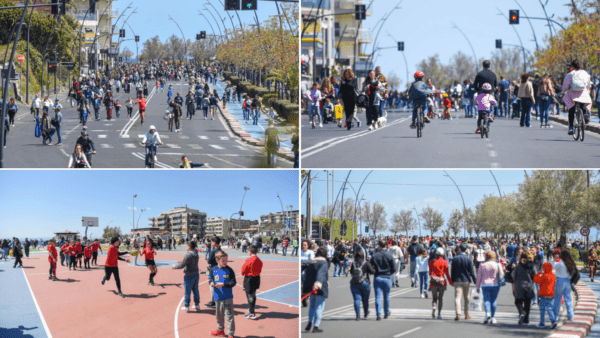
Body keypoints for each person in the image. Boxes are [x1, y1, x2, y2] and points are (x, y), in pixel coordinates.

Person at [208, 251, 237, 338]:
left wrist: (224, 284)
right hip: (217, 297)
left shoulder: (229, 270)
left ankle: (231, 334)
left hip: (228, 297)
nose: (225, 262)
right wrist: (211, 282)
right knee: (219, 316)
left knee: (229, 316)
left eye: (226, 260)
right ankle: (220, 330)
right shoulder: (213, 270)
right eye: (223, 260)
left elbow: (233, 282)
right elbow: (210, 279)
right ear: (217, 260)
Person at [562, 59, 592, 135]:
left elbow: (565, 86)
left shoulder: (570, 74)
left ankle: (571, 127)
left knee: (571, 108)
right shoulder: (585, 73)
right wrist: (587, 89)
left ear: (572, 66)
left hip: (573, 92)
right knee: (584, 99)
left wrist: (563, 92)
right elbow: (588, 84)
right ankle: (585, 112)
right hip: (583, 91)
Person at [303, 246, 328, 333]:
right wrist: (317, 284)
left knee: (312, 306)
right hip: (319, 288)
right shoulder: (324, 263)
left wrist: (305, 289)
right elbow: (321, 274)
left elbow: (307, 276)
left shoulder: (311, 262)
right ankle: (316, 326)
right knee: (319, 307)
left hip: (310, 288)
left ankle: (309, 322)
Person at [173, 240, 201, 312]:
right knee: (196, 290)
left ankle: (186, 306)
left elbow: (181, 266)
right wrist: (182, 261)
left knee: (187, 291)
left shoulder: (188, 255)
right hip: (196, 274)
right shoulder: (196, 253)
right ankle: (197, 305)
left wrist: (175, 266)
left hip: (189, 275)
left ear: (189, 246)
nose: (186, 247)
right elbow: (188, 262)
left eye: (187, 245)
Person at [370, 239, 395, 320]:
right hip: (387, 277)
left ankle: (378, 314)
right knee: (386, 297)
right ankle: (386, 313)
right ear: (387, 246)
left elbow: (370, 267)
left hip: (377, 277)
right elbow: (394, 268)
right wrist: (389, 273)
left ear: (379, 246)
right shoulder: (389, 256)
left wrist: (374, 272)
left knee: (377, 297)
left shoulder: (375, 255)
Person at [476, 250, 503, 324]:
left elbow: (479, 277)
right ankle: (493, 317)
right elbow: (502, 274)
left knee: (486, 300)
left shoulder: (482, 264)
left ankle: (487, 313)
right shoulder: (497, 264)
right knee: (493, 301)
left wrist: (477, 287)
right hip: (495, 284)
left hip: (485, 284)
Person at [451, 243, 476, 321]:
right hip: (466, 280)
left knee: (457, 297)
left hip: (457, 280)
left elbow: (452, 270)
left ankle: (458, 313)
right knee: (467, 298)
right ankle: (466, 314)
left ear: (459, 250)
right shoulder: (468, 259)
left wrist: (452, 280)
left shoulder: (455, 258)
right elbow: (472, 272)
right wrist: (476, 281)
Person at [512, 250, 537, 325]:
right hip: (529, 286)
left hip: (520, 286)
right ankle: (526, 320)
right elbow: (535, 276)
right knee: (527, 304)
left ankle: (521, 312)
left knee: (518, 302)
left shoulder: (519, 266)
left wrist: (514, 286)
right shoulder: (532, 266)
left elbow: (514, 277)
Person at [350, 249, 375, 320]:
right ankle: (366, 312)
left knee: (357, 299)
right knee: (365, 299)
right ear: (363, 256)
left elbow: (351, 272)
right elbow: (372, 271)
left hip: (354, 282)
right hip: (365, 282)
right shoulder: (366, 263)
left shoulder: (353, 263)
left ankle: (358, 315)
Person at [553, 249, 576, 321]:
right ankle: (570, 315)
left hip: (559, 280)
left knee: (557, 299)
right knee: (568, 299)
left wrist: (554, 259)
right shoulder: (570, 264)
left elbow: (552, 267)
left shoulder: (560, 264)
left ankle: (555, 316)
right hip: (567, 281)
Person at [241, 244, 263, 320]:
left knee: (249, 295)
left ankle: (252, 313)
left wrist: (243, 273)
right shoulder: (259, 260)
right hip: (256, 278)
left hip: (249, 278)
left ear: (250, 252)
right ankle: (251, 307)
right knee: (253, 293)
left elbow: (243, 269)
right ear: (257, 251)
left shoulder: (249, 260)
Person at [534, 262, 558, 329]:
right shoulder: (553, 276)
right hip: (551, 295)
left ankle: (542, 323)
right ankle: (553, 321)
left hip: (543, 295)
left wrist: (538, 273)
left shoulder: (544, 276)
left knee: (542, 310)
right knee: (550, 309)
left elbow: (536, 280)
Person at [205, 236, 222, 308]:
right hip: (219, 268)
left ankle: (213, 301)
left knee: (212, 284)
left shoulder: (213, 251)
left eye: (212, 242)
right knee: (218, 284)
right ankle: (218, 300)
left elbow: (209, 261)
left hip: (213, 269)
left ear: (214, 243)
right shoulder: (220, 250)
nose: (211, 243)